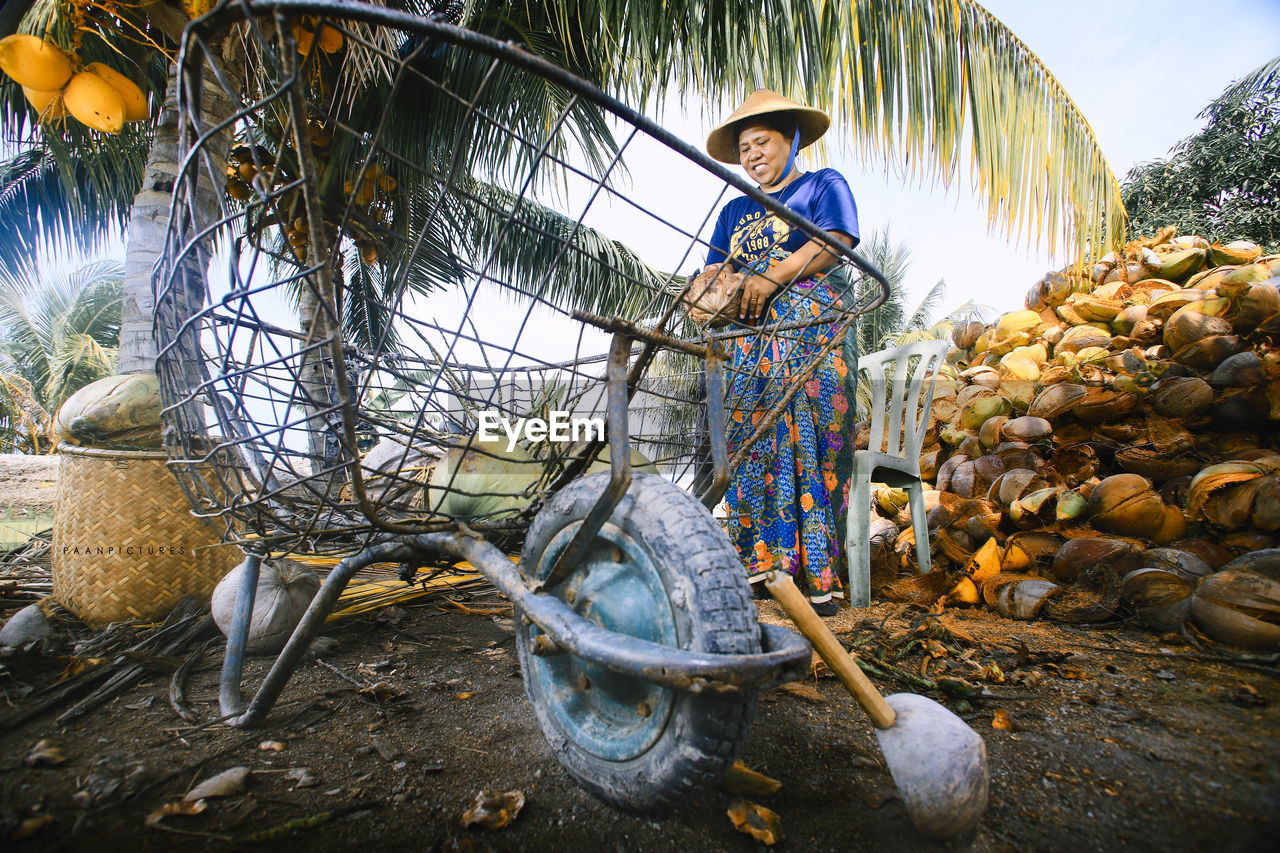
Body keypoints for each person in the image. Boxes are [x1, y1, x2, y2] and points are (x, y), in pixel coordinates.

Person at [702, 90, 859, 617]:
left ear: (791, 139)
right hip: (749, 343)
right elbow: (715, 275)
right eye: (743, 147)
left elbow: (836, 240)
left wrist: (773, 277)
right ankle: (761, 565)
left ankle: (816, 575)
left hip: (813, 329)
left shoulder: (822, 184)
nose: (751, 155)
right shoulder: (733, 211)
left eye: (762, 142)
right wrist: (704, 297)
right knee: (748, 431)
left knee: (808, 435)